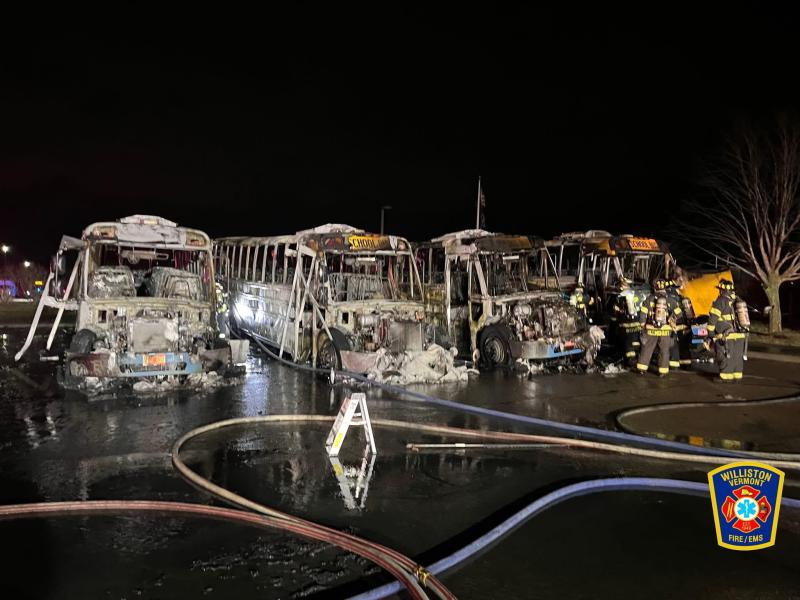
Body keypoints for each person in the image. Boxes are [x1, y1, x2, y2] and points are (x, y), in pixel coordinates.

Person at [636, 279, 681, 376]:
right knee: (664, 351)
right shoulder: (671, 300)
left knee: (647, 349)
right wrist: (672, 319)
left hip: (651, 329)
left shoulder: (649, 299)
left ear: (655, 288)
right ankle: (662, 372)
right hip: (665, 330)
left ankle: (642, 369)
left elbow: (643, 313)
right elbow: (679, 313)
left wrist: (642, 325)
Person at [707, 279, 748, 382]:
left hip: (726, 335)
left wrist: (710, 333)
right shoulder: (737, 300)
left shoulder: (720, 301)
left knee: (725, 355)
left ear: (721, 290)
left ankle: (725, 376)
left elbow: (713, 318)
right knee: (737, 355)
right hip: (740, 334)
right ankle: (737, 375)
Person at [665, 279, 693, 369]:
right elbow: (689, 313)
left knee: (673, 344)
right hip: (683, 326)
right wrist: (689, 325)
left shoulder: (664, 299)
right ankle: (686, 364)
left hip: (671, 326)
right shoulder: (683, 299)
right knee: (684, 345)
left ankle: (673, 364)